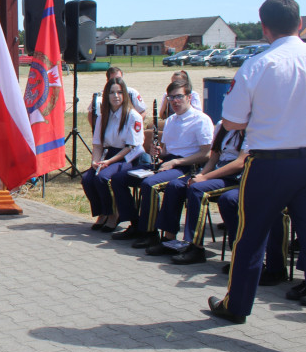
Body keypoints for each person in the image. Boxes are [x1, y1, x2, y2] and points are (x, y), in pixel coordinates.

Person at [206, 0, 306, 352]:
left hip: (271, 163)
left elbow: (233, 122)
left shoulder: (257, 65)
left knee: (250, 237)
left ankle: (237, 305)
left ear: (264, 26)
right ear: (299, 22)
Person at [110, 79, 213, 245]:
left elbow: (206, 154)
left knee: (149, 185)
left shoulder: (201, 120)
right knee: (119, 178)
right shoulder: (171, 120)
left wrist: (176, 163)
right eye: (171, 98)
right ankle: (135, 223)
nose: (175, 101)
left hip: (186, 166)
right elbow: (166, 151)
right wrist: (159, 152)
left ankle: (149, 233)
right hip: (167, 163)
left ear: (188, 97)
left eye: (179, 96)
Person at [151, 123, 247, 264]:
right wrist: (200, 175)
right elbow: (214, 158)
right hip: (215, 172)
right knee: (175, 185)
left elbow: (240, 163)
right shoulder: (222, 126)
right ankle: (169, 239)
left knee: (197, 190)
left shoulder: (249, 128)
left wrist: (205, 178)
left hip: (233, 177)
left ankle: (196, 247)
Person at [81, 77, 145, 232]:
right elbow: (98, 144)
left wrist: (109, 162)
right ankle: (102, 212)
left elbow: (130, 147)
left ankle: (113, 215)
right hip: (109, 154)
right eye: (111, 92)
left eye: (119, 92)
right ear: (106, 96)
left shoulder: (133, 116)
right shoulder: (103, 117)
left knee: (102, 178)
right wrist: (95, 161)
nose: (116, 96)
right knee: (87, 179)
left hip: (128, 157)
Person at [87, 66, 146, 131]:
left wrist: (133, 125)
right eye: (113, 79)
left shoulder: (132, 93)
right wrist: (97, 130)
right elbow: (91, 115)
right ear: (107, 80)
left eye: (119, 79)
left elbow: (142, 112)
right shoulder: (100, 96)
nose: (116, 82)